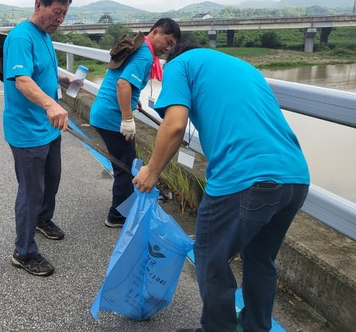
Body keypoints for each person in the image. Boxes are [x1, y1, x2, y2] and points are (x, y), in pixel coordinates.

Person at [133, 42, 310, 332]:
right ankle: (255, 327)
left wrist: (152, 171)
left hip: (243, 177)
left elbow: (175, 125)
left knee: (210, 258)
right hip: (295, 177)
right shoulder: (242, 66)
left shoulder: (179, 64)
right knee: (260, 259)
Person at [3, 0, 73, 277]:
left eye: (64, 15)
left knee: (52, 180)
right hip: (28, 131)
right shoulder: (21, 38)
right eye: (56, 12)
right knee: (31, 191)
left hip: (48, 129)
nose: (59, 19)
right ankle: (24, 251)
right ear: (38, 5)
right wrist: (51, 105)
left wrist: (61, 80)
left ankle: (42, 220)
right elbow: (22, 80)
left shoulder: (44, 35)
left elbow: (40, 71)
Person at [89, 18, 180, 228]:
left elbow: (123, 81)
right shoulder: (145, 54)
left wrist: (132, 99)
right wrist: (127, 118)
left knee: (126, 161)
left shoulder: (139, 47)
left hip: (103, 112)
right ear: (155, 32)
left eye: (172, 45)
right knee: (126, 167)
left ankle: (125, 206)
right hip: (112, 117)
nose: (168, 47)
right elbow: (122, 84)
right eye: (168, 41)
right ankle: (117, 216)